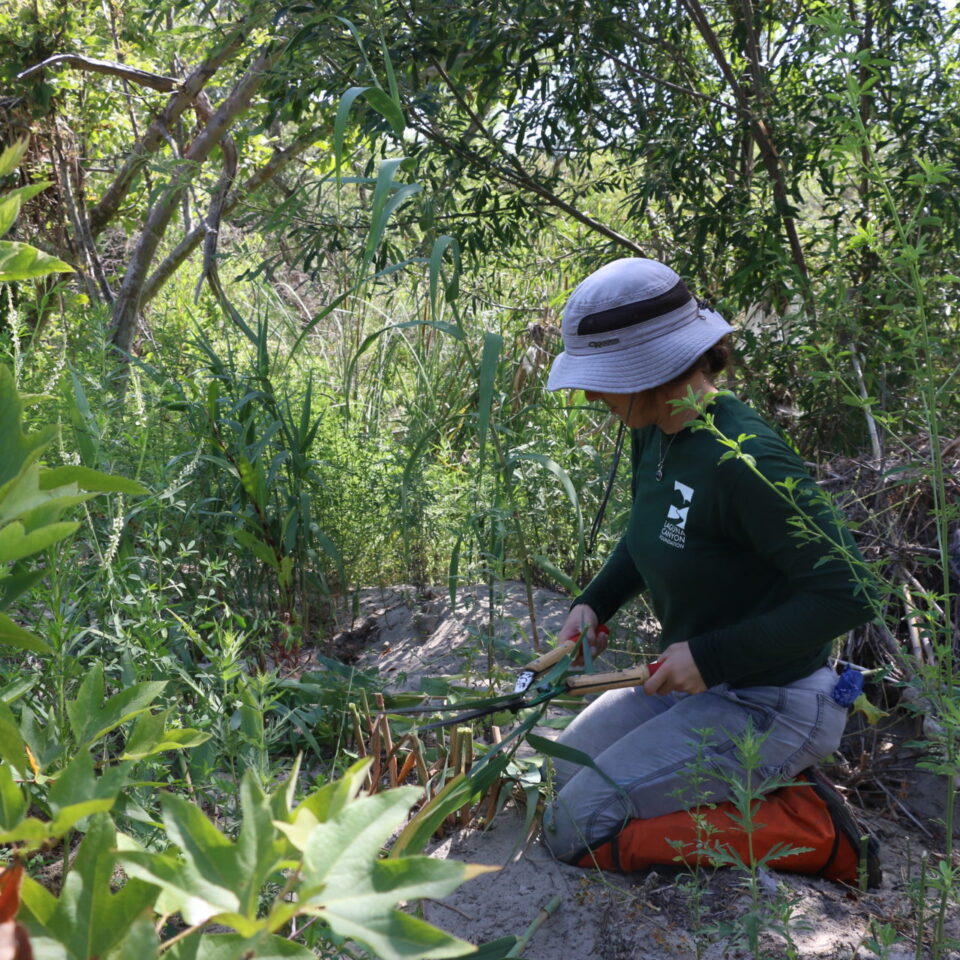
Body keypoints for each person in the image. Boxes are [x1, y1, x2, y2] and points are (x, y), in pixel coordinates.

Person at [540, 258, 875, 864]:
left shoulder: (748, 462)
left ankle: (815, 826)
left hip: (771, 699)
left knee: (574, 826)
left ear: (654, 369)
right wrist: (595, 600)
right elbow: (655, 533)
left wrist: (710, 655)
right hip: (690, 685)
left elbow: (852, 592)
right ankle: (725, 785)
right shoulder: (654, 425)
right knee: (559, 775)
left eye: (603, 376)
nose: (590, 393)